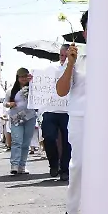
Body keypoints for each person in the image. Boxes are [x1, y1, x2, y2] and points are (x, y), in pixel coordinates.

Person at [56, 11, 88, 214]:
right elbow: (61, 90)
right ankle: (72, 209)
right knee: (79, 166)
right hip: (81, 117)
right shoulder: (76, 57)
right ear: (85, 32)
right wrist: (70, 64)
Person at [42, 44, 73, 180]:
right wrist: (33, 80)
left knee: (68, 141)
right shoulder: (50, 69)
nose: (64, 58)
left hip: (67, 110)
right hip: (50, 110)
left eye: (67, 56)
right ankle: (54, 163)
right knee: (48, 137)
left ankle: (65, 169)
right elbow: (40, 81)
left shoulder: (75, 69)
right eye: (62, 55)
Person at [4, 68, 37, 176]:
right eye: (21, 77)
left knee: (26, 142)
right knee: (17, 141)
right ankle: (14, 164)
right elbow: (5, 103)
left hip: (30, 117)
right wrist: (10, 104)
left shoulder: (33, 89)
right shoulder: (11, 90)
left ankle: (22, 165)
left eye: (25, 77)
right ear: (17, 78)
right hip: (16, 118)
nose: (23, 79)